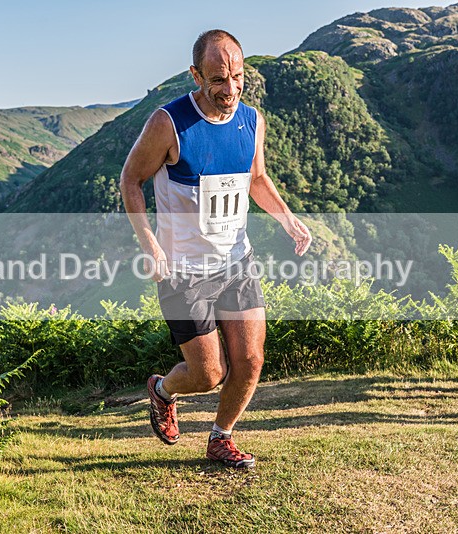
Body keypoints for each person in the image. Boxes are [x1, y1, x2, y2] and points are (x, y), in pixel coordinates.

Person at [120, 29, 312, 468]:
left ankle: (221, 437)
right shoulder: (168, 123)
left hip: (237, 261)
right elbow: (131, 179)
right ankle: (162, 391)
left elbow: (256, 179)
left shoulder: (252, 120)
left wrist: (287, 219)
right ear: (196, 75)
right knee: (208, 374)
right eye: (218, 80)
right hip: (183, 270)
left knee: (250, 360)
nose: (230, 90)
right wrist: (149, 243)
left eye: (238, 78)